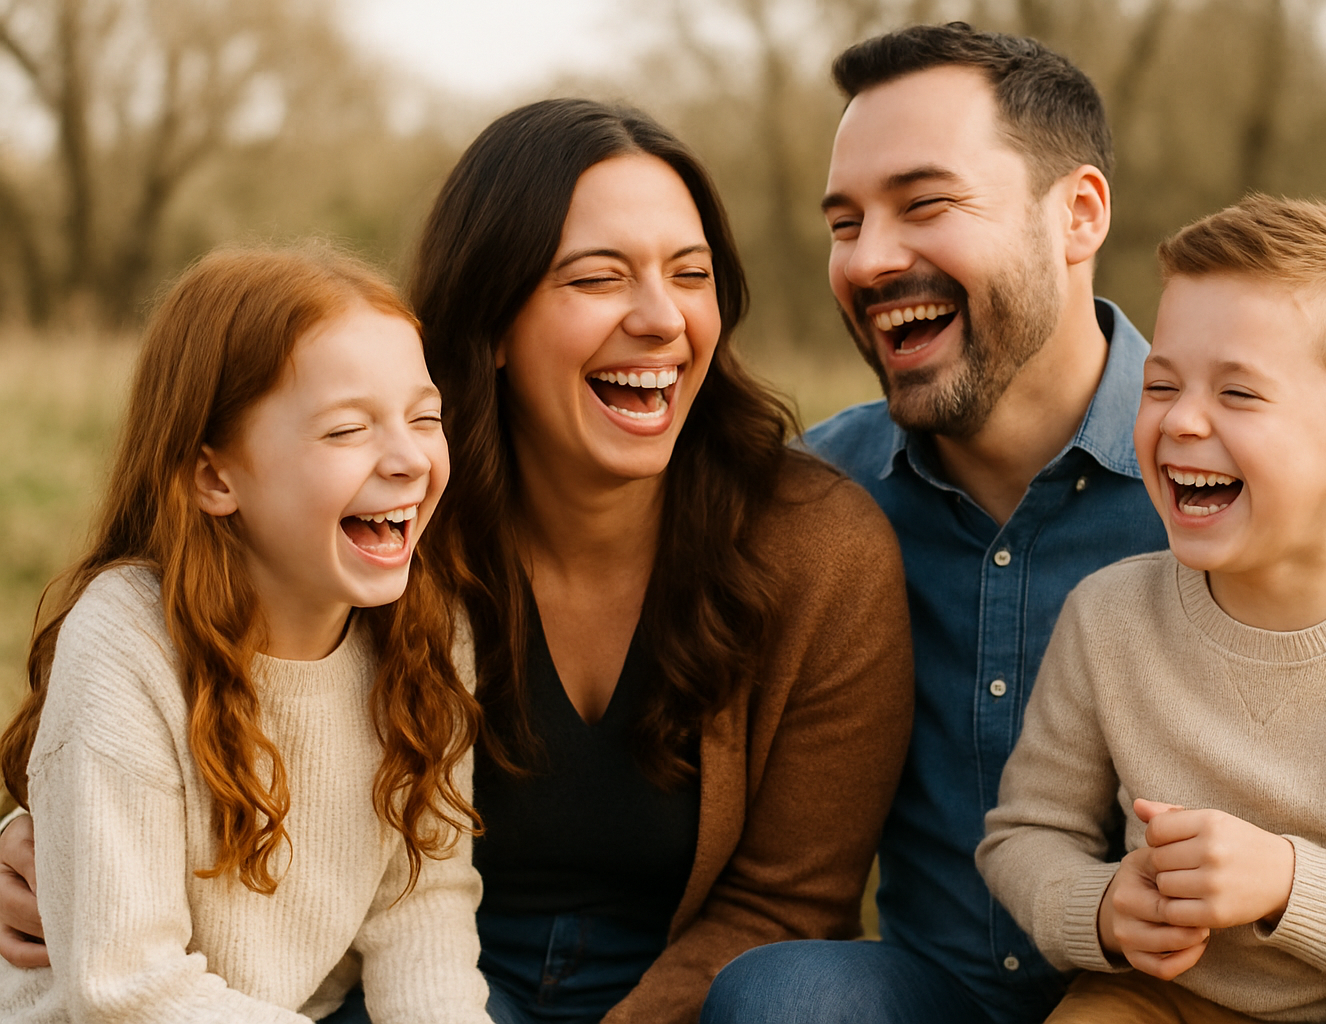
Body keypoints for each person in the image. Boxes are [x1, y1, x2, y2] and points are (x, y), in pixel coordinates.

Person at [0, 99, 916, 1024]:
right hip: (414, 989)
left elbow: (787, 902)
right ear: (495, 321)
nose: (660, 316)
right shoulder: (391, 536)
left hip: (693, 983)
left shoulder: (817, 549)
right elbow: (165, 699)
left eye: (692, 273)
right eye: (597, 279)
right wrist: (44, 843)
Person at [701, 21, 1326, 1024]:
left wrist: (1288, 885)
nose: (871, 258)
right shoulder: (821, 501)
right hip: (998, 995)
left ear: (1079, 215)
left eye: (925, 203)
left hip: (1308, 998)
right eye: (843, 223)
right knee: (787, 999)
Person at [977, 195, 1326, 1021]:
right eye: (1159, 383)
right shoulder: (1108, 618)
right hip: (1154, 999)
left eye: (1238, 394)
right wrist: (1098, 905)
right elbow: (1025, 835)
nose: (1181, 420)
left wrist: (1286, 881)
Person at [0, 246, 491, 1023]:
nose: (408, 459)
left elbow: (419, 917)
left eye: (424, 418)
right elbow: (127, 990)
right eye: (347, 430)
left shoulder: (428, 635)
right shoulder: (127, 642)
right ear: (216, 477)